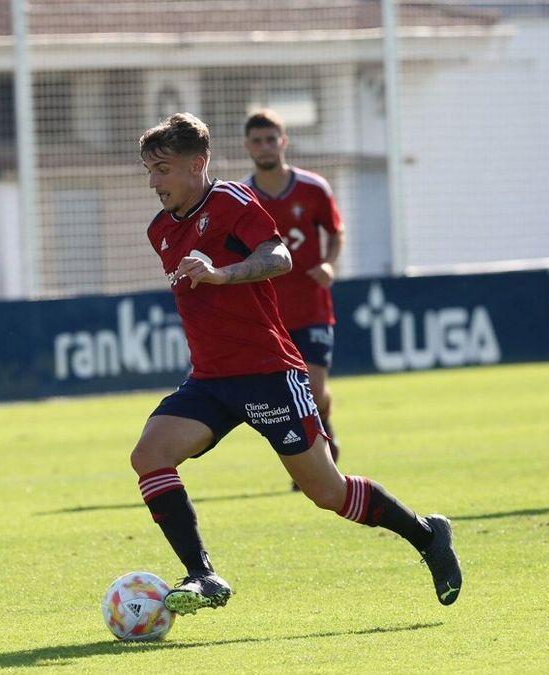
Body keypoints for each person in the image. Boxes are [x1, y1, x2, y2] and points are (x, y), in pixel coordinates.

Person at [134, 112, 461, 615]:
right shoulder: (161, 229)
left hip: (268, 372)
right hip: (211, 379)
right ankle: (202, 575)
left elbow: (279, 257)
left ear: (198, 164)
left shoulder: (232, 202)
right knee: (149, 455)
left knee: (327, 491)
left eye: (162, 169)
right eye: (149, 171)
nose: (153, 182)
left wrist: (222, 273)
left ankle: (426, 536)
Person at [240, 109, 347, 482]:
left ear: (283, 142)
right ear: (247, 146)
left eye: (272, 139)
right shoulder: (241, 197)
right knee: (288, 396)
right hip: (268, 315)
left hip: (312, 306)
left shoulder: (313, 189)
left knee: (315, 390)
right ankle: (312, 465)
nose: (265, 146)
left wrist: (330, 265)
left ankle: (325, 428)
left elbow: (334, 232)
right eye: (258, 140)